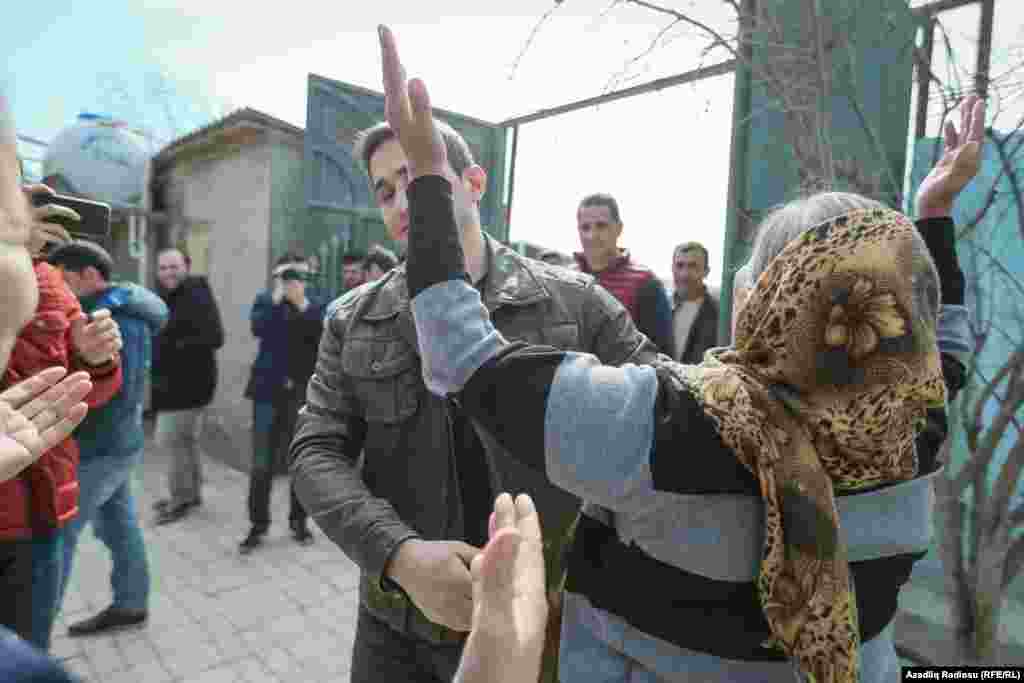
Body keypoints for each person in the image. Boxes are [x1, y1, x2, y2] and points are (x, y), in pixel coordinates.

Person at [379, 28, 979, 682]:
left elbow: (461, 356)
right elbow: (948, 351)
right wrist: (935, 212)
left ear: (764, 303)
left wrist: (429, 177)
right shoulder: (915, 427)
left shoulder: (664, 426)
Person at [290, 34, 660, 683]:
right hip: (396, 625)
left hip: (544, 625)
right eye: (383, 191)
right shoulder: (353, 318)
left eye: (413, 177)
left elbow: (663, 417)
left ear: (473, 182)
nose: (400, 203)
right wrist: (401, 556)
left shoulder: (575, 304)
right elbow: (314, 453)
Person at [47, 240, 168, 635]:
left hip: (101, 449)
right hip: (114, 444)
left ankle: (33, 633)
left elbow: (120, 393)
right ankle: (131, 603)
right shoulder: (113, 310)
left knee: (59, 536)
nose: (58, 286)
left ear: (90, 275)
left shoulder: (115, 320)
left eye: (64, 278)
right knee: (119, 524)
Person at [239, 253, 322, 554]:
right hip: (266, 392)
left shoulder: (316, 303)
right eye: (286, 275)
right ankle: (257, 524)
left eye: (297, 274)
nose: (292, 281)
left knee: (300, 460)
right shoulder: (266, 301)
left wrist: (301, 304)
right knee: (261, 463)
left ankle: (299, 522)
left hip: (300, 393)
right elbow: (258, 328)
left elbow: (321, 336)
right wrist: (276, 300)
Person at [151, 247, 225, 525]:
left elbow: (214, 337)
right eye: (163, 268)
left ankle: (179, 499)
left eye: (174, 267)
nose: (168, 273)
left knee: (170, 439)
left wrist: (169, 346)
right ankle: (190, 494)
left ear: (187, 266)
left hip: (187, 384)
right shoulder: (167, 295)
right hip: (176, 384)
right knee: (185, 440)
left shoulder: (195, 293)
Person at [572, 193, 675, 356]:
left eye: (601, 226)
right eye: (585, 227)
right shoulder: (568, 278)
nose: (592, 235)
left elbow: (662, 356)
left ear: (619, 228)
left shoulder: (646, 284)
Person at [671, 241, 722, 363]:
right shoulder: (659, 309)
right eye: (679, 265)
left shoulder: (719, 314)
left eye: (693, 266)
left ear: (706, 271)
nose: (684, 274)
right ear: (672, 268)